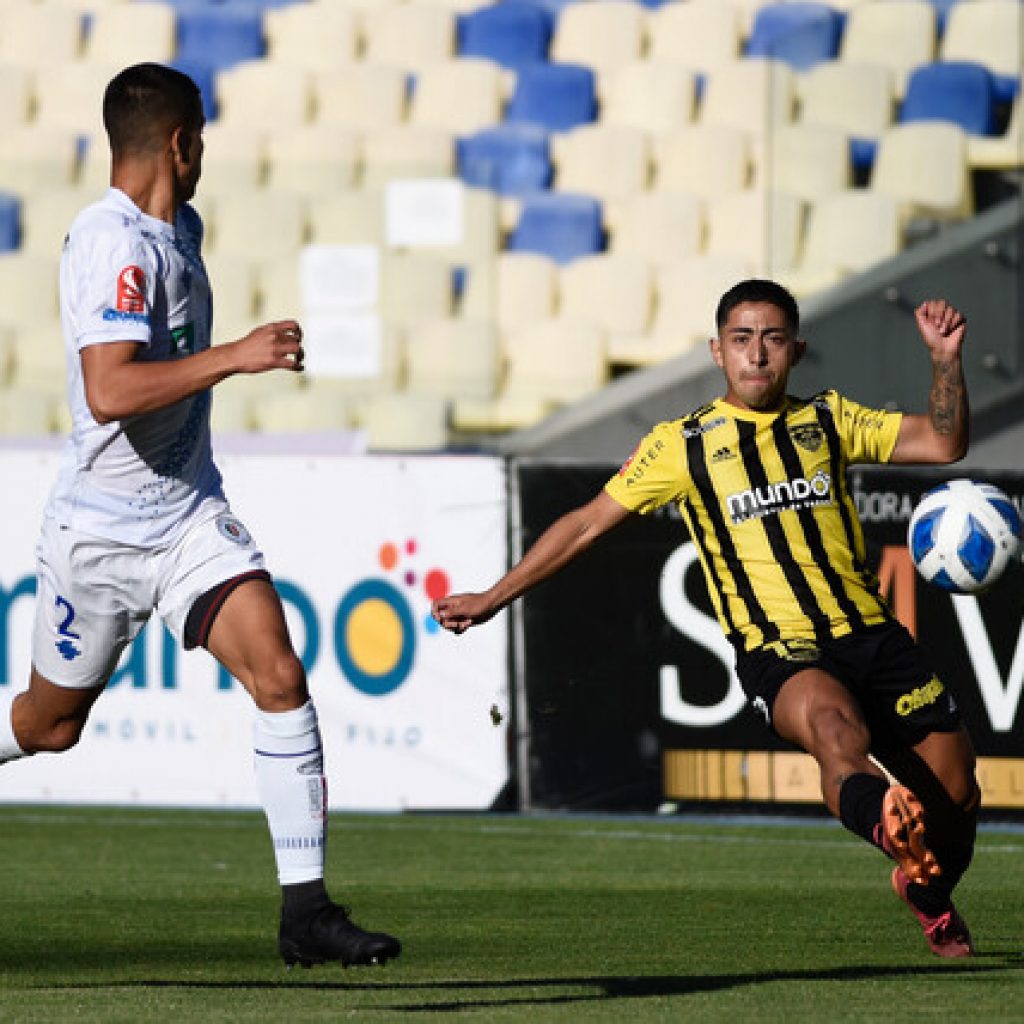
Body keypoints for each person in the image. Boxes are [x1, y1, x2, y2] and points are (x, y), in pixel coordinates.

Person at [433, 278, 979, 959]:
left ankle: (926, 890)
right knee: (835, 732)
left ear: (797, 350)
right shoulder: (682, 445)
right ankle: (884, 825)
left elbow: (944, 443)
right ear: (717, 352)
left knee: (957, 799)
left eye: (773, 339)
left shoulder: (830, 420)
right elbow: (583, 525)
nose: (757, 355)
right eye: (742, 340)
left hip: (872, 636)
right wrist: (494, 595)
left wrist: (945, 360)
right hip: (781, 652)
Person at [0, 63, 400, 970]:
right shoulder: (114, 244)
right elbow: (109, 391)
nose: (206, 151)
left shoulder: (180, 225)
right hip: (98, 537)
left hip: (184, 517)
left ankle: (306, 914)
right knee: (47, 727)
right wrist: (237, 355)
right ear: (180, 142)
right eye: (203, 135)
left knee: (279, 672)